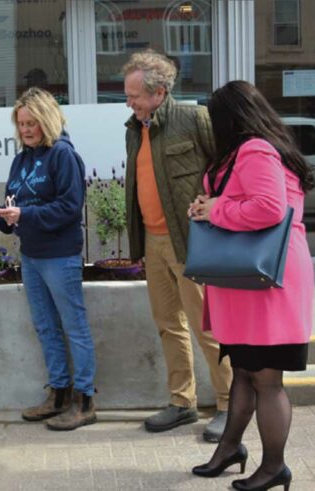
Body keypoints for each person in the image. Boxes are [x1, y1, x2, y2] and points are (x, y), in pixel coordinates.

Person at [190, 80, 315, 491]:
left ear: (229, 118)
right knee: (243, 370)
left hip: (267, 282)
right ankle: (230, 449)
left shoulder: (255, 149)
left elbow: (268, 208)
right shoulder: (241, 152)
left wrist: (217, 208)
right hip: (247, 282)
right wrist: (206, 208)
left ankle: (275, 465)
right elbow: (239, 201)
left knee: (266, 378)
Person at [0, 87, 97, 431]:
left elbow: (70, 208)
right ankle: (58, 395)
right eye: (21, 124)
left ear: (47, 120)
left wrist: (23, 213)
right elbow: (16, 220)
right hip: (32, 256)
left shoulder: (63, 155)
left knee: (74, 327)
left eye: (31, 123)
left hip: (60, 256)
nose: (25, 130)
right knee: (45, 327)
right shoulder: (21, 159)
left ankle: (84, 401)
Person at [121, 50, 233, 441]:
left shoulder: (193, 118)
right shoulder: (134, 128)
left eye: (134, 95)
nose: (129, 102)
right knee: (169, 324)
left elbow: (226, 167)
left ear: (160, 92)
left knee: (208, 327)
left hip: (191, 240)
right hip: (153, 242)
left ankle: (228, 404)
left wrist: (217, 204)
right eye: (128, 95)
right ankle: (182, 402)